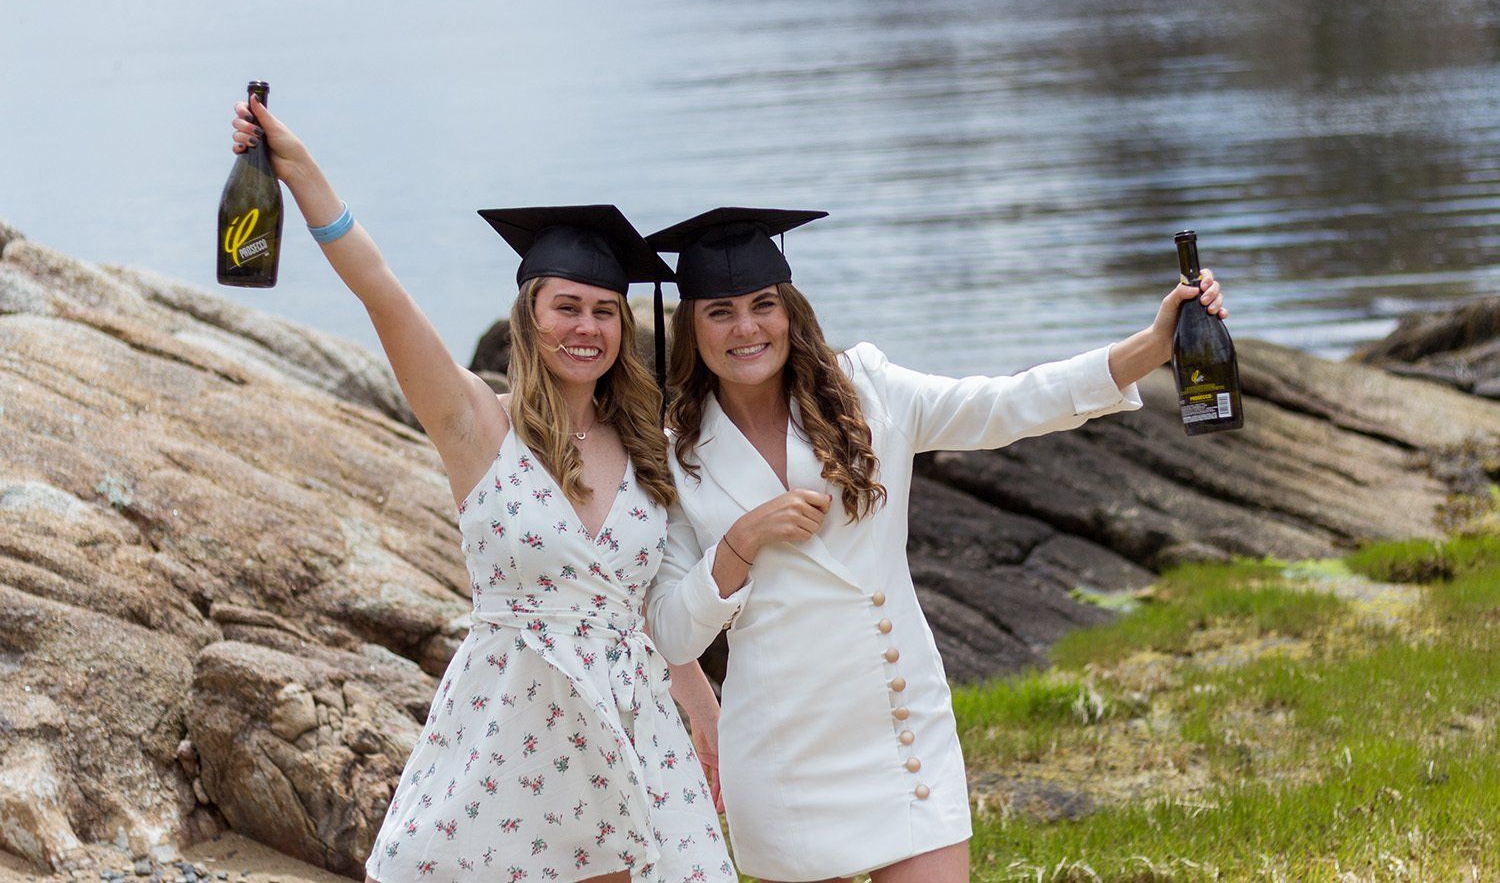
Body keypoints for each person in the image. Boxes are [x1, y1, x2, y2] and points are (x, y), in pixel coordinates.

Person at [228, 100, 735, 883]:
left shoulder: (650, 447)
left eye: (604, 311)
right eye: (567, 306)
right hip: (515, 719)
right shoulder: (476, 427)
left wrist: (696, 694)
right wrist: (300, 173)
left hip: (630, 718)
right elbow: (382, 292)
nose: (587, 328)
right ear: (529, 314)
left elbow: (642, 597)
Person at [644, 207, 1228, 883]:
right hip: (780, 755)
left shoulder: (867, 390)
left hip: (898, 727)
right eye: (720, 311)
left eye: (762, 304)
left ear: (790, 310)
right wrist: (739, 544)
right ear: (691, 326)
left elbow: (1006, 404)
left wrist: (1153, 345)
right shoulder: (674, 454)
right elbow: (671, 633)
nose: (746, 327)